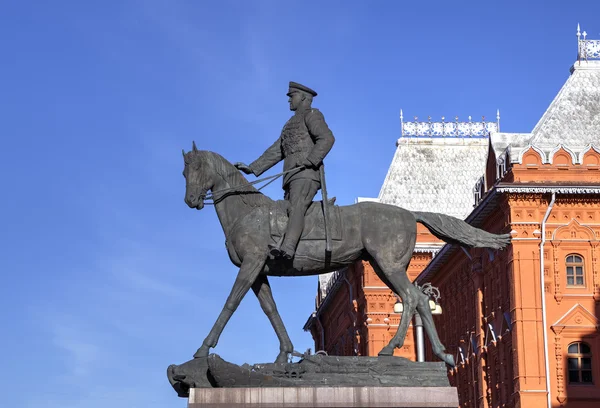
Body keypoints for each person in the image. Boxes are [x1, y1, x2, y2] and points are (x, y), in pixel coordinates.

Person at [235, 81, 335, 260]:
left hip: (306, 174)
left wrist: (311, 160)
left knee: (297, 207)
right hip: (291, 177)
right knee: (287, 210)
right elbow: (277, 151)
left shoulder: (312, 115)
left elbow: (327, 138)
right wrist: (252, 167)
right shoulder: (290, 123)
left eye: (292, 96)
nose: (289, 100)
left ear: (303, 97)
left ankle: (288, 247)